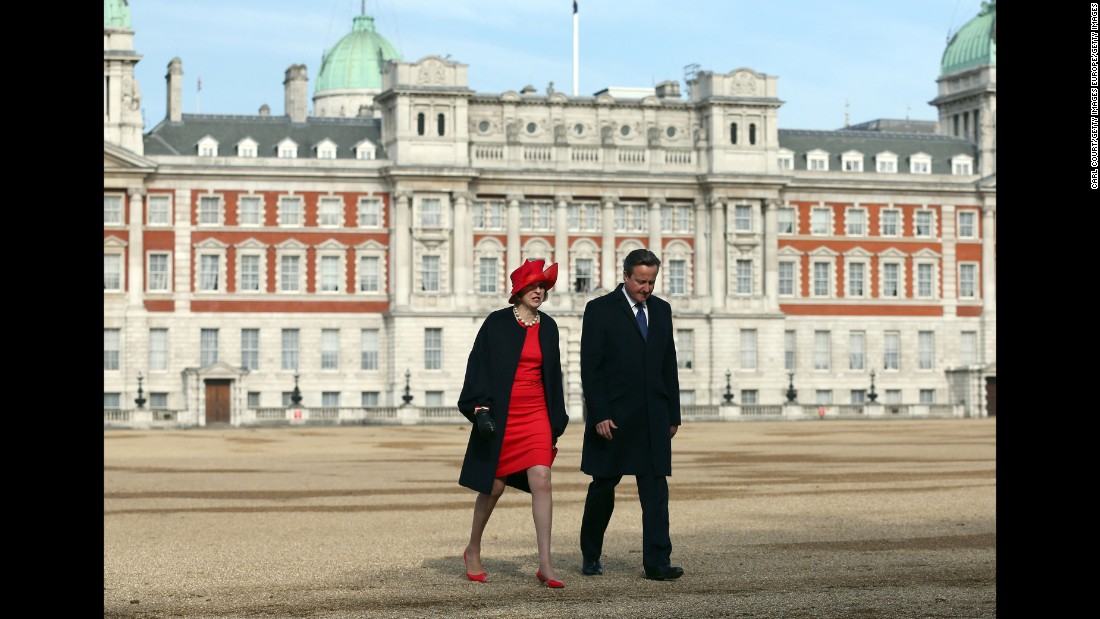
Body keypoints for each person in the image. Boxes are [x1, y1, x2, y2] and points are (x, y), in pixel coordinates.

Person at [457, 259, 570, 588]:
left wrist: (555, 421)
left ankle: (546, 564)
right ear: (519, 290)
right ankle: (473, 548)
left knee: (542, 478)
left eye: (543, 287)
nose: (539, 291)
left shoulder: (548, 327)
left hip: (536, 413)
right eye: (533, 286)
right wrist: (480, 409)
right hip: (503, 413)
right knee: (494, 486)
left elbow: (554, 377)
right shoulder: (496, 323)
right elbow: (477, 365)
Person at [578, 248, 684, 581]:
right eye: (641, 281)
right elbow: (590, 368)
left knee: (656, 492)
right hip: (614, 418)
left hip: (653, 416)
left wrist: (673, 414)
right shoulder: (599, 310)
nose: (646, 288)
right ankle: (591, 554)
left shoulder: (662, 310)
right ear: (625, 276)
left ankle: (657, 562)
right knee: (602, 488)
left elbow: (669, 363)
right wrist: (599, 413)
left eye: (651, 282)